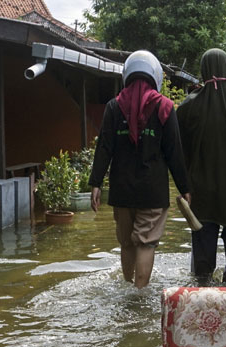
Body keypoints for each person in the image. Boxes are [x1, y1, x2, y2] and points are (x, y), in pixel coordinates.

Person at [88, 50, 191, 289]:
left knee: (127, 244)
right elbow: (174, 152)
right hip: (152, 191)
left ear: (128, 75)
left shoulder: (114, 107)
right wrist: (185, 188)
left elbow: (104, 147)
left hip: (121, 190)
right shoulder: (165, 107)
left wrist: (95, 183)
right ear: (155, 75)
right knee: (146, 244)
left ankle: (126, 290)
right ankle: (139, 296)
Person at [176, 48, 226, 285]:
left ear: (204, 70)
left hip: (201, 185)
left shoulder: (189, 106)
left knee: (203, 234)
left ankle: (201, 286)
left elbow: (181, 147)